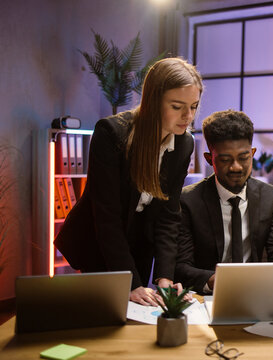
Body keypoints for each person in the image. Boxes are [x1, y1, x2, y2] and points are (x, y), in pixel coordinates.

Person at [54, 57, 203, 305]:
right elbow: (106, 218)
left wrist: (165, 277)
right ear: (154, 102)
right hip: (98, 242)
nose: (188, 116)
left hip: (139, 243)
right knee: (104, 316)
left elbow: (168, 214)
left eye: (194, 106)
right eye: (177, 107)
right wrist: (130, 284)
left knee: (140, 313)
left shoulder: (184, 142)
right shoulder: (111, 133)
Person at [174, 110, 273, 294]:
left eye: (243, 157)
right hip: (207, 296)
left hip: (258, 292)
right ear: (210, 159)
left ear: (253, 153)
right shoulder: (188, 201)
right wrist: (212, 280)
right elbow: (180, 266)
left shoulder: (270, 197)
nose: (236, 167)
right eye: (225, 160)